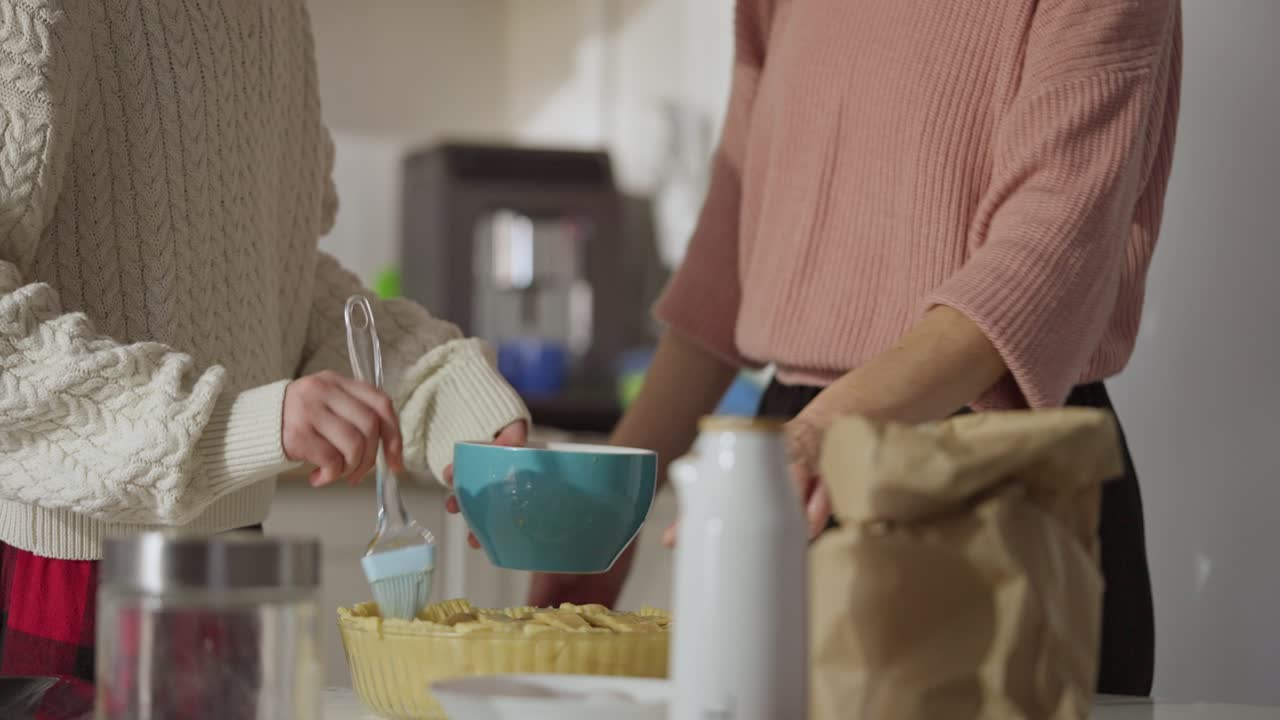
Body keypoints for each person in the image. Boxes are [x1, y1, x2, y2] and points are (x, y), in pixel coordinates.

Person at [499, 0, 1182, 697]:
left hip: (991, 468)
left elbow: (1039, 263)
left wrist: (817, 433)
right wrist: (611, 503)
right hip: (795, 455)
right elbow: (728, 262)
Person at [0, 0, 528, 683]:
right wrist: (231, 424)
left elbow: (279, 282)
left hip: (232, 560)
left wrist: (446, 394)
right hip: (65, 573)